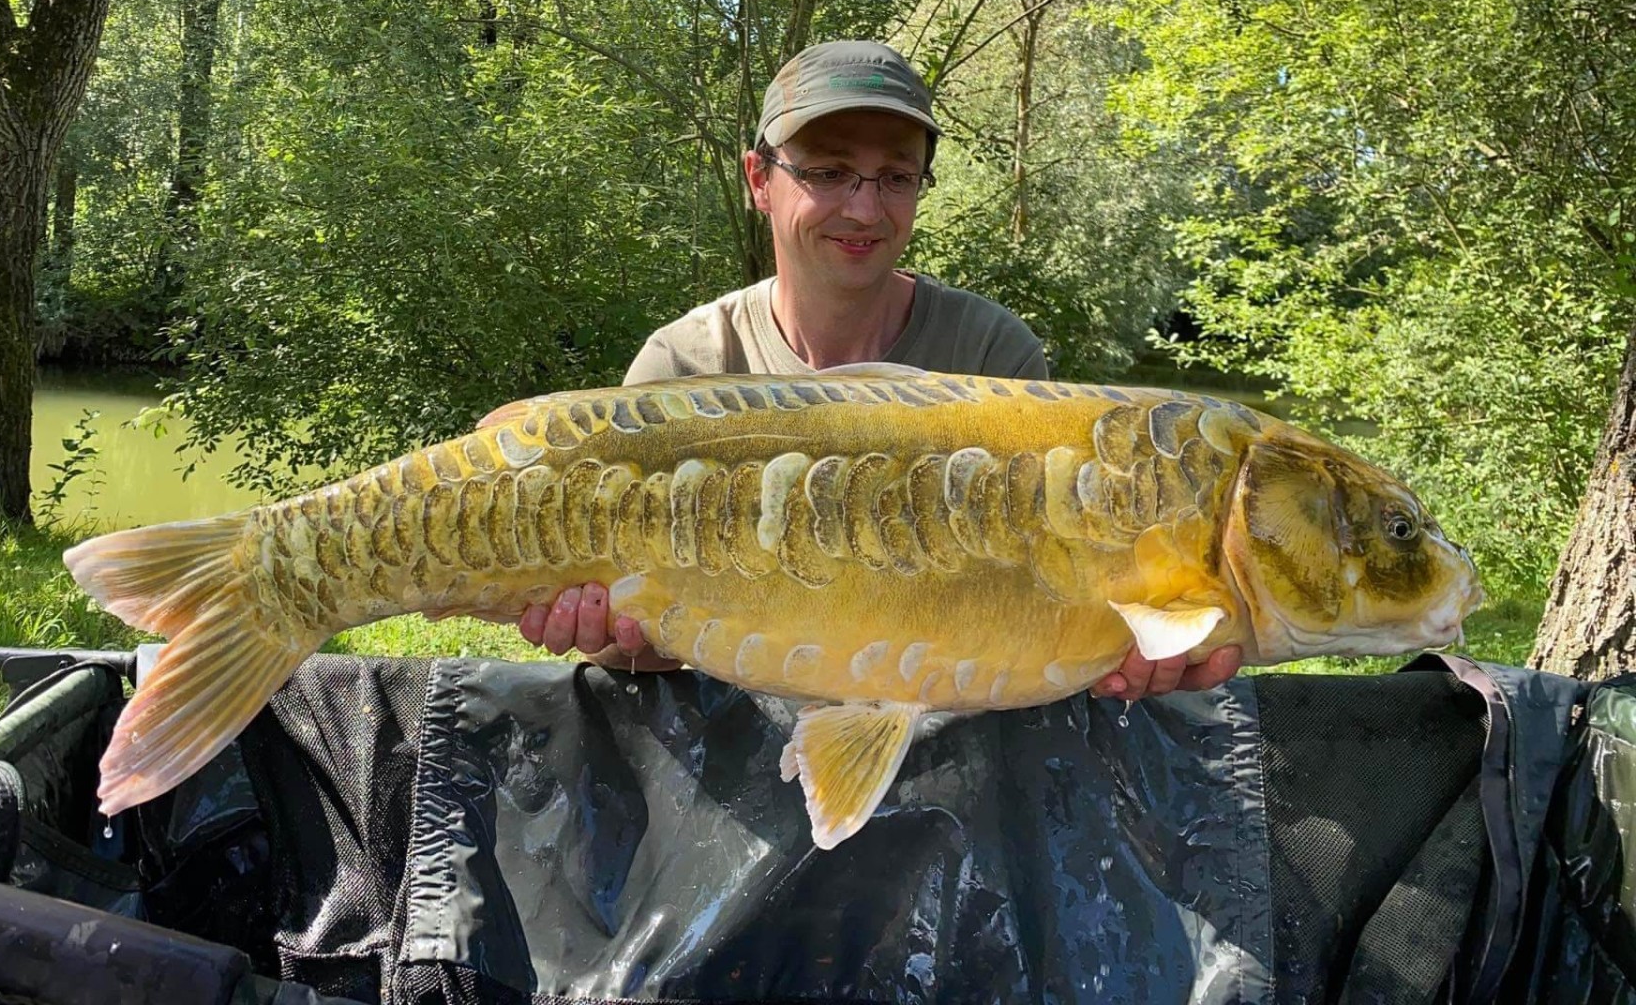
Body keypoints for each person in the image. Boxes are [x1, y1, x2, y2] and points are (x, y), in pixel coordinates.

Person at [515, 39, 1242, 701]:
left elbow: (1034, 611)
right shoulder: (685, 363)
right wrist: (610, 638)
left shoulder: (991, 353)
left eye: (895, 177)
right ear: (759, 180)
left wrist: (1123, 646)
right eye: (829, 173)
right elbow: (642, 642)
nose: (864, 209)